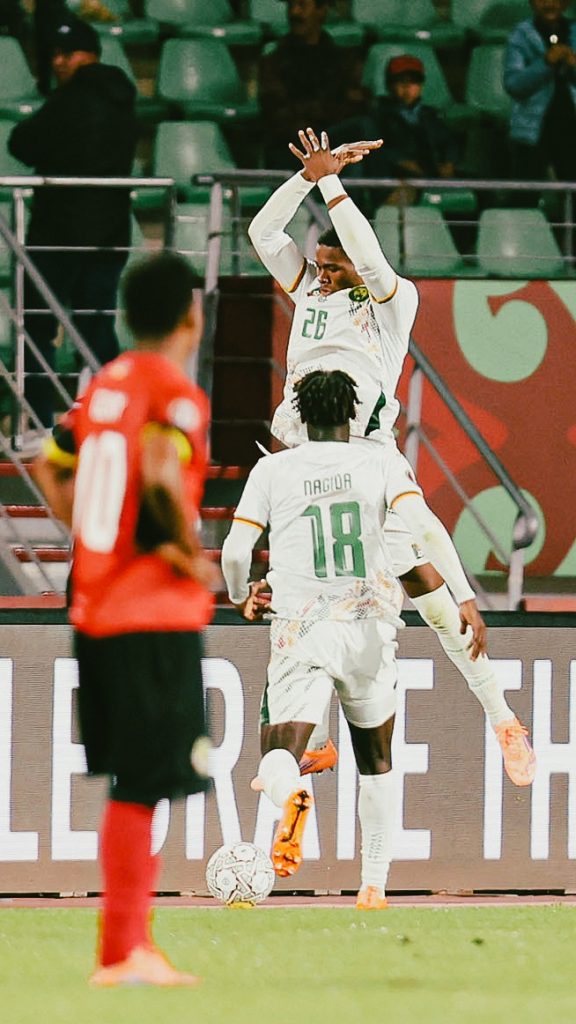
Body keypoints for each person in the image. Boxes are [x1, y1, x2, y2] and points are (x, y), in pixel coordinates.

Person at [247, 127, 536, 789]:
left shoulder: (391, 302)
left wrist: (331, 181)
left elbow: (371, 266)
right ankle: (308, 739)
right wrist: (305, 179)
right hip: (303, 468)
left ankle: (500, 717)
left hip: (369, 467)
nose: (322, 274)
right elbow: (265, 234)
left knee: (433, 594)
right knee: (294, 601)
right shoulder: (311, 295)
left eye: (333, 266)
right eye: (319, 266)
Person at [221, 369, 507, 907]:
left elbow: (236, 552)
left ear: (300, 417)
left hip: (302, 628)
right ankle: (373, 885)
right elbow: (422, 527)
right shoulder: (381, 462)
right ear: (352, 416)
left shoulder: (273, 469)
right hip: (371, 627)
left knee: (277, 755)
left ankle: (294, 797)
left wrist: (241, 595)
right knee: (376, 760)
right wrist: (463, 593)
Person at [34, 251, 216, 987]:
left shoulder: (101, 387)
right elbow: (157, 467)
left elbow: (50, 465)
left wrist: (94, 537)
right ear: (191, 317)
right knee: (147, 782)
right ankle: (124, 951)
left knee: (131, 783)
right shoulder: (174, 392)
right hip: (154, 613)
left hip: (97, 606)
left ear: (120, 315)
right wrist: (183, 552)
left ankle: (126, 946)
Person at [9, 15, 137, 439]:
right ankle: (118, 418)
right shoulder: (123, 99)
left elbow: (22, 142)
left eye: (66, 54)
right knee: (96, 330)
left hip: (59, 234)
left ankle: (38, 421)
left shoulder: (70, 100)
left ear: (86, 55)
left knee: (37, 328)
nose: (58, 62)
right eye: (55, 55)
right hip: (109, 235)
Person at [330, 54, 460, 208]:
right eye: (400, 82)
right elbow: (379, 150)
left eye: (413, 82)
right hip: (397, 175)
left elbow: (448, 141)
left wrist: (449, 162)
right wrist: (401, 162)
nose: (407, 88)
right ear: (390, 85)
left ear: (421, 85)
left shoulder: (430, 115)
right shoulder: (379, 114)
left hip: (431, 173)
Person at [257, 0, 367, 170]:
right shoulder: (274, 61)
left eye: (301, 5)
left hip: (332, 140)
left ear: (321, 11)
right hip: (294, 147)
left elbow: (356, 102)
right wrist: (326, 108)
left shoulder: (340, 60)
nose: (294, 13)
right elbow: (278, 115)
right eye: (291, 6)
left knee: (361, 134)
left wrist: (317, 109)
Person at [504, 0, 576, 188]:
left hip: (571, 126)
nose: (549, 4)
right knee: (524, 196)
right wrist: (545, 64)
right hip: (532, 130)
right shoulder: (520, 35)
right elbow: (514, 85)